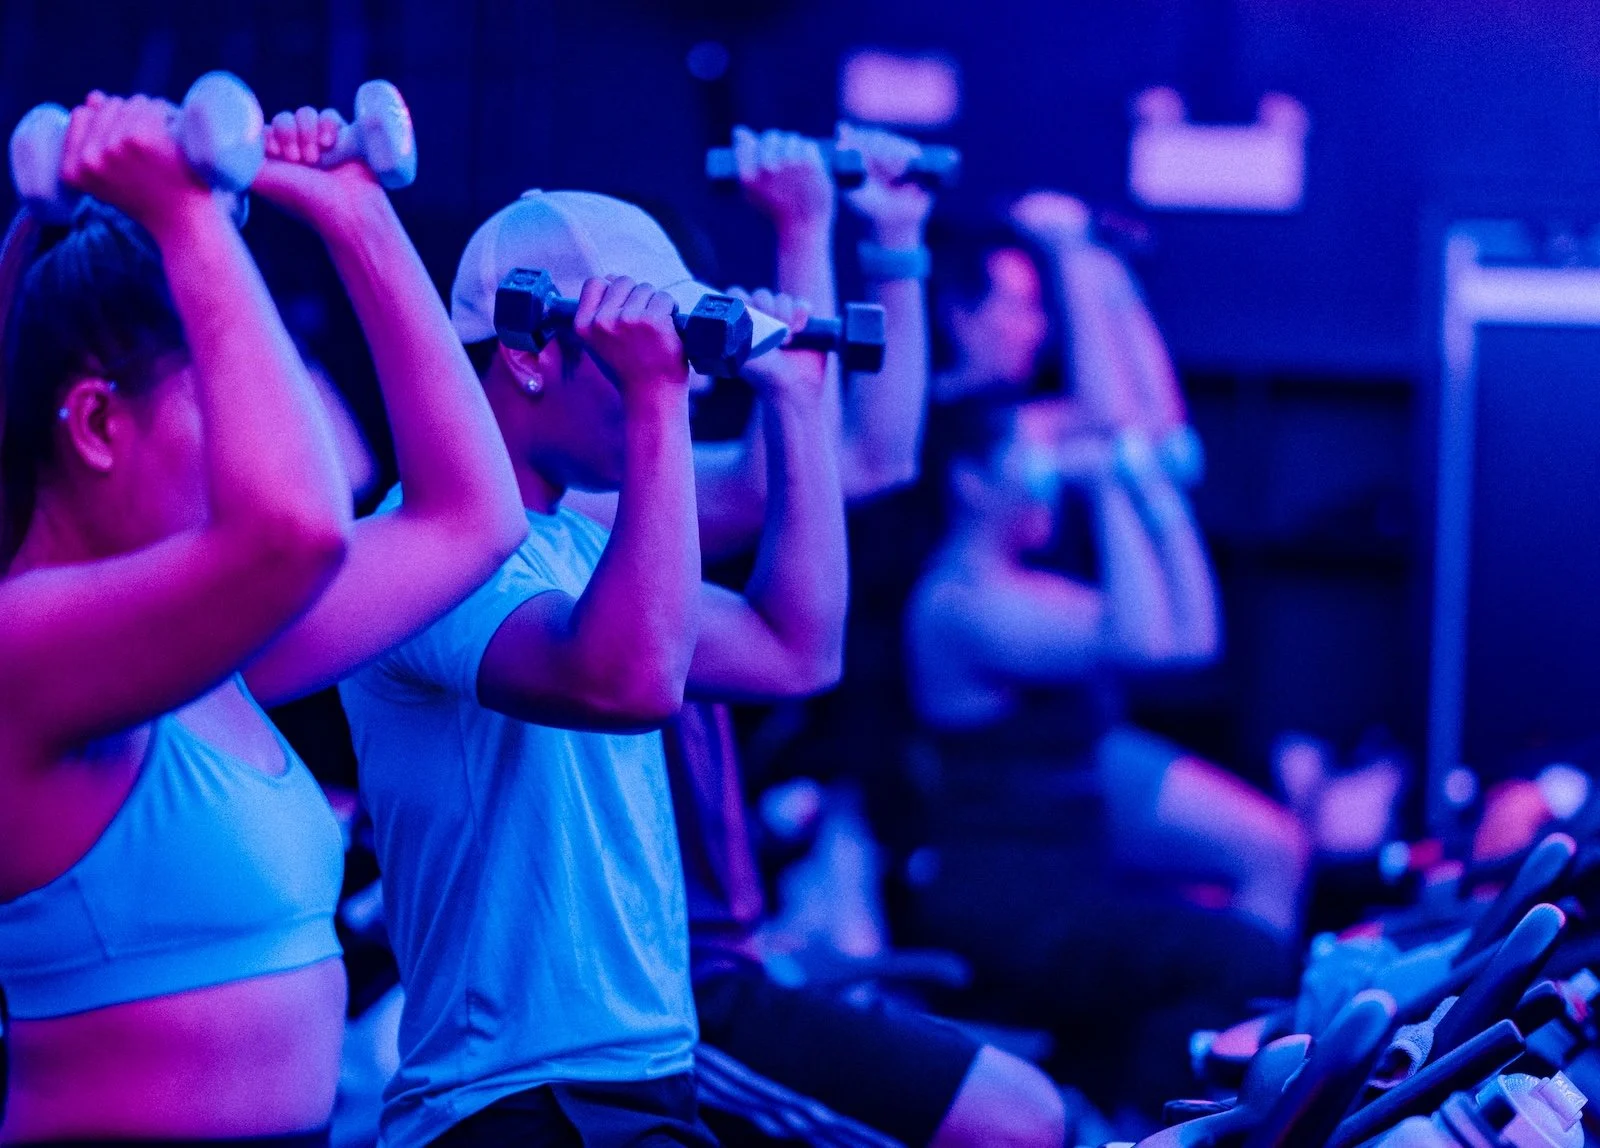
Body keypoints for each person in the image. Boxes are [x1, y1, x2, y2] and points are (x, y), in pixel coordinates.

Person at [0, 94, 524, 1144]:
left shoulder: (200, 652)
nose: (272, 436)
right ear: (99, 422)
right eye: (232, 403)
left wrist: (355, 216)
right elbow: (295, 527)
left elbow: (473, 516)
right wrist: (187, 213)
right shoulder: (26, 646)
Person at [339, 189, 846, 1148]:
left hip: (634, 1080)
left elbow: (797, 651)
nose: (688, 381)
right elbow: (629, 683)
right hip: (514, 1105)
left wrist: (795, 402)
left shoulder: (574, 545)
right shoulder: (423, 555)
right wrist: (659, 398)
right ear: (530, 352)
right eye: (636, 352)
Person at [626, 127, 1091, 1148]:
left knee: (1040, 1114)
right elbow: (808, 470)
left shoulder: (646, 488)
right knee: (1022, 1120)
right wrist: (810, 228)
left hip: (725, 949)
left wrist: (878, 235)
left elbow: (866, 453)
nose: (697, 356)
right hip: (662, 991)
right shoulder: (572, 511)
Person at [902, 395, 1305, 1112]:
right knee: (1240, 957)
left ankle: (1145, 1110)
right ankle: (1152, 1124)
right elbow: (1140, 639)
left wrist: (1147, 485)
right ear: (968, 479)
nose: (1048, 475)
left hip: (1067, 883)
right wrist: (1110, 479)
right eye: (1032, 455)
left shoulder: (1027, 588)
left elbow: (1190, 638)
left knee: (1223, 941)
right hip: (1011, 907)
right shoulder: (959, 603)